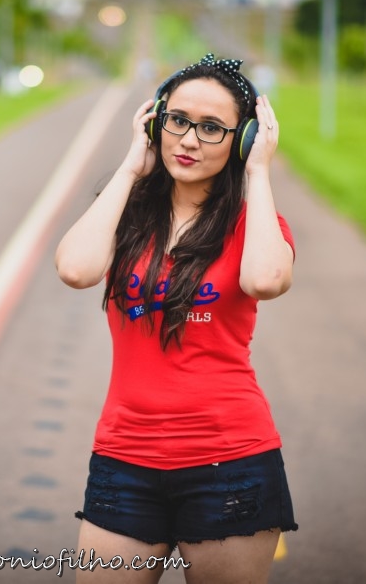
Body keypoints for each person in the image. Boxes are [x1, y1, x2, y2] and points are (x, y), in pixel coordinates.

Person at [55, 54, 298, 583]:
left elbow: (265, 280)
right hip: (124, 458)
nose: (189, 140)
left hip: (230, 464)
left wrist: (258, 172)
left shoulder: (255, 224)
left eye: (212, 128)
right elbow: (75, 269)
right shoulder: (127, 215)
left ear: (242, 140)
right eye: (178, 120)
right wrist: (129, 169)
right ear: (155, 122)